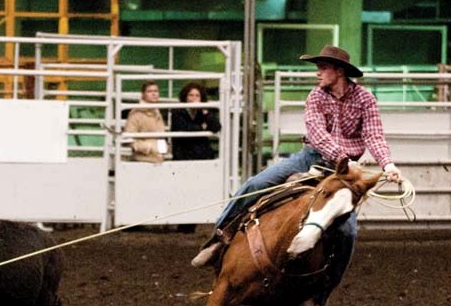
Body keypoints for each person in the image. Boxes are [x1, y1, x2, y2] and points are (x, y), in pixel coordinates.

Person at [191, 45, 403, 273]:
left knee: (348, 232)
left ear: (339, 71)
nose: (317, 73)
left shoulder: (365, 99)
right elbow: (318, 134)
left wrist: (387, 164)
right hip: (311, 158)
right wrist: (344, 159)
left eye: (322, 68)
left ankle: (329, 280)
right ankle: (218, 238)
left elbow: (373, 134)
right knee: (256, 184)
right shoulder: (316, 96)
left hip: (344, 172)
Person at [171, 82, 221, 161]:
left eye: (197, 96)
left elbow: (216, 127)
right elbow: (185, 128)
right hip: (184, 155)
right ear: (185, 97)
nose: (194, 98)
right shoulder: (178, 112)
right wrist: (203, 127)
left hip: (203, 155)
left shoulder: (204, 111)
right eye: (191, 95)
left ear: (201, 98)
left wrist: (205, 111)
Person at [125, 81, 168, 163]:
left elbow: (161, 136)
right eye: (150, 91)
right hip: (142, 160)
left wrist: (163, 150)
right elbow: (128, 139)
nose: (154, 94)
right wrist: (148, 148)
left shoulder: (157, 112)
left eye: (156, 91)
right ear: (143, 94)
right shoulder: (136, 113)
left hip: (158, 160)